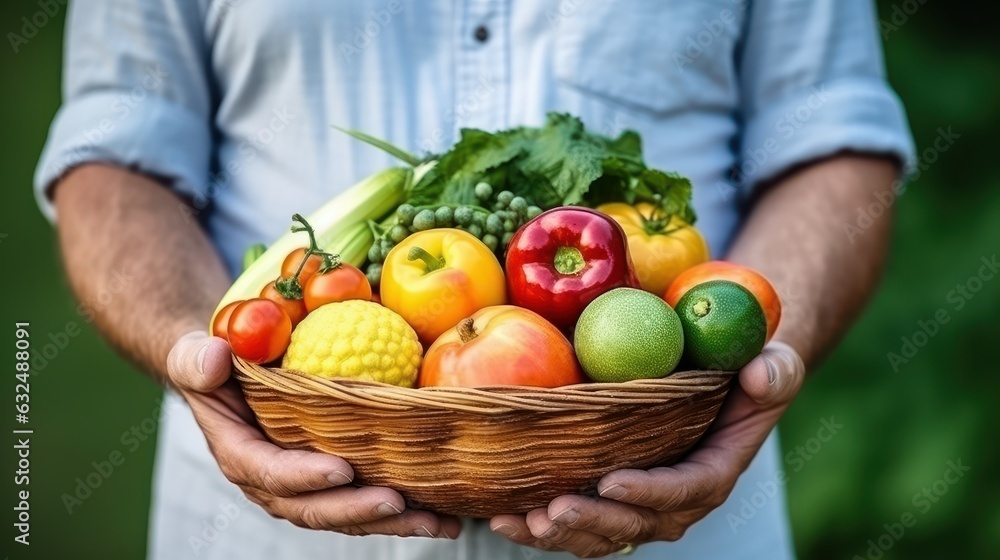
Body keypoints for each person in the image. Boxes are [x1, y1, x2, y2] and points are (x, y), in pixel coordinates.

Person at [35, 0, 913, 558]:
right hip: (261, 523)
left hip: (678, 489)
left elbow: (829, 137)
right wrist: (202, 353)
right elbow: (118, 148)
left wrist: (762, 355)